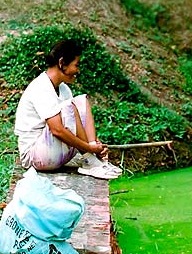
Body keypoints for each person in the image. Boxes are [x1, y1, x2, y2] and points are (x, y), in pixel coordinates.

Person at [14, 38, 122, 180]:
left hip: (54, 151)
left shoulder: (63, 89)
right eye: (76, 65)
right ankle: (90, 159)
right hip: (35, 157)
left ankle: (93, 160)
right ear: (61, 63)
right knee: (67, 107)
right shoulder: (41, 87)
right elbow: (57, 129)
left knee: (81, 101)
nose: (77, 70)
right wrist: (88, 148)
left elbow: (76, 124)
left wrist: (96, 146)